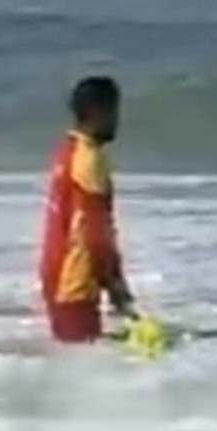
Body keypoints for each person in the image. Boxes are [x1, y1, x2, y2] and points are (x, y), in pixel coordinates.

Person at [39, 76, 136, 343]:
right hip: (75, 281)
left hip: (56, 272)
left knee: (75, 360)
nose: (117, 120)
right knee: (81, 362)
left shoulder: (67, 150)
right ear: (97, 112)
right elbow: (96, 231)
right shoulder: (90, 160)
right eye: (113, 112)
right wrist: (116, 286)